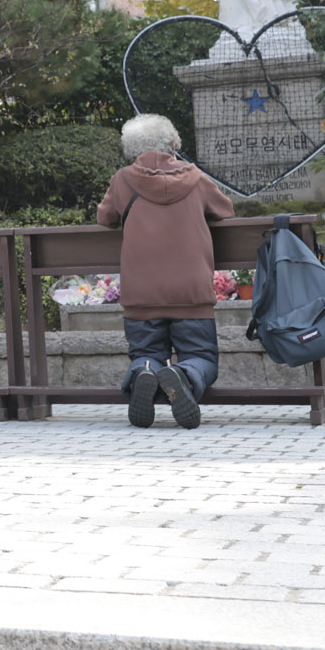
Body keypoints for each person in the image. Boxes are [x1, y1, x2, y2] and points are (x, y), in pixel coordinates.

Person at [95, 113, 235, 430]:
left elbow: (105, 218)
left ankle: (145, 371)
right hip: (190, 293)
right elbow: (225, 208)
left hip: (141, 294)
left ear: (131, 149)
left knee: (145, 352)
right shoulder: (196, 178)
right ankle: (184, 374)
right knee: (202, 356)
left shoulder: (122, 180)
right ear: (174, 143)